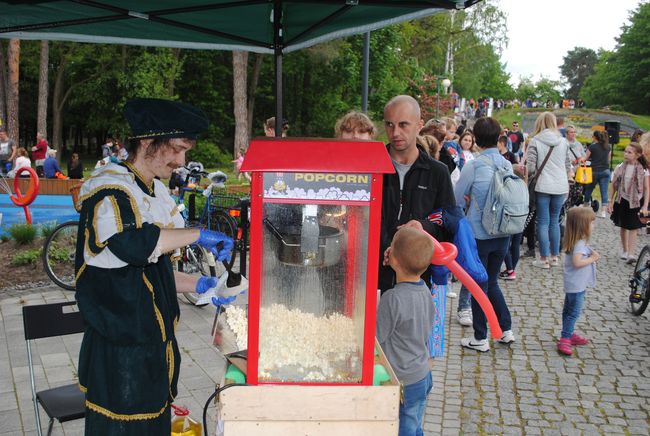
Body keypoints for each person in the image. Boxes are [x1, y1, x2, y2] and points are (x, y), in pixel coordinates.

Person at [74, 98, 235, 435]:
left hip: (150, 355)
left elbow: (150, 270)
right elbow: (134, 246)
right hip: (119, 361)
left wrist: (200, 286)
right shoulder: (111, 191)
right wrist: (197, 235)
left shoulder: (154, 191)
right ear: (147, 142)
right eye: (176, 149)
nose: (181, 161)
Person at [379, 95, 456, 292]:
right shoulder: (373, 169)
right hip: (374, 275)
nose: (395, 132)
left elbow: (449, 224)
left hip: (419, 279)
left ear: (419, 124)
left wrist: (423, 226)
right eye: (389, 124)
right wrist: (388, 248)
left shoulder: (437, 172)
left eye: (403, 124)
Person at [454, 116, 516, 351]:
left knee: (479, 285)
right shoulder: (506, 164)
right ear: (499, 137)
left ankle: (480, 337)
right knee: (491, 282)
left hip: (479, 234)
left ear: (476, 139)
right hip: (503, 232)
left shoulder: (474, 166)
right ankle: (506, 329)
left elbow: (457, 197)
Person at [376, 226, 435, 436]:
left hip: (404, 381)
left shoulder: (391, 299)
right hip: (422, 375)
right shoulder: (426, 291)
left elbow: (376, 337)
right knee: (416, 425)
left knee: (405, 431)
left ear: (395, 260)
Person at [526, 112, 572, 269]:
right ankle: (555, 256)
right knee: (555, 221)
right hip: (560, 186)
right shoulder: (563, 141)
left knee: (543, 221)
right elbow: (567, 165)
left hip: (543, 185)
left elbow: (531, 167)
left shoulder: (535, 141)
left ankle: (543, 258)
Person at [557, 207, 598, 356]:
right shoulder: (579, 243)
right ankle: (565, 338)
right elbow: (577, 262)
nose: (594, 226)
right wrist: (593, 258)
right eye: (592, 223)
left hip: (573, 284)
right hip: (576, 285)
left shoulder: (577, 241)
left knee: (568, 310)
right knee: (573, 312)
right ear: (583, 225)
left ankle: (568, 332)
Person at [608, 142, 649, 263]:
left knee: (633, 227)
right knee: (623, 226)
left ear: (638, 155)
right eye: (625, 151)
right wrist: (610, 200)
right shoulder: (620, 167)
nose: (626, 154)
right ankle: (625, 250)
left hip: (636, 201)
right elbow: (614, 185)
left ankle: (631, 254)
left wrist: (646, 205)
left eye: (629, 152)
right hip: (622, 199)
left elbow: (647, 189)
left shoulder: (644, 170)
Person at [584, 130, 612, 218]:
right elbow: (608, 160)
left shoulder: (592, 146)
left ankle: (585, 207)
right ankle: (603, 212)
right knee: (604, 192)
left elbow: (585, 158)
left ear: (595, 137)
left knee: (589, 189)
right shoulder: (608, 147)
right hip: (605, 171)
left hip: (594, 171)